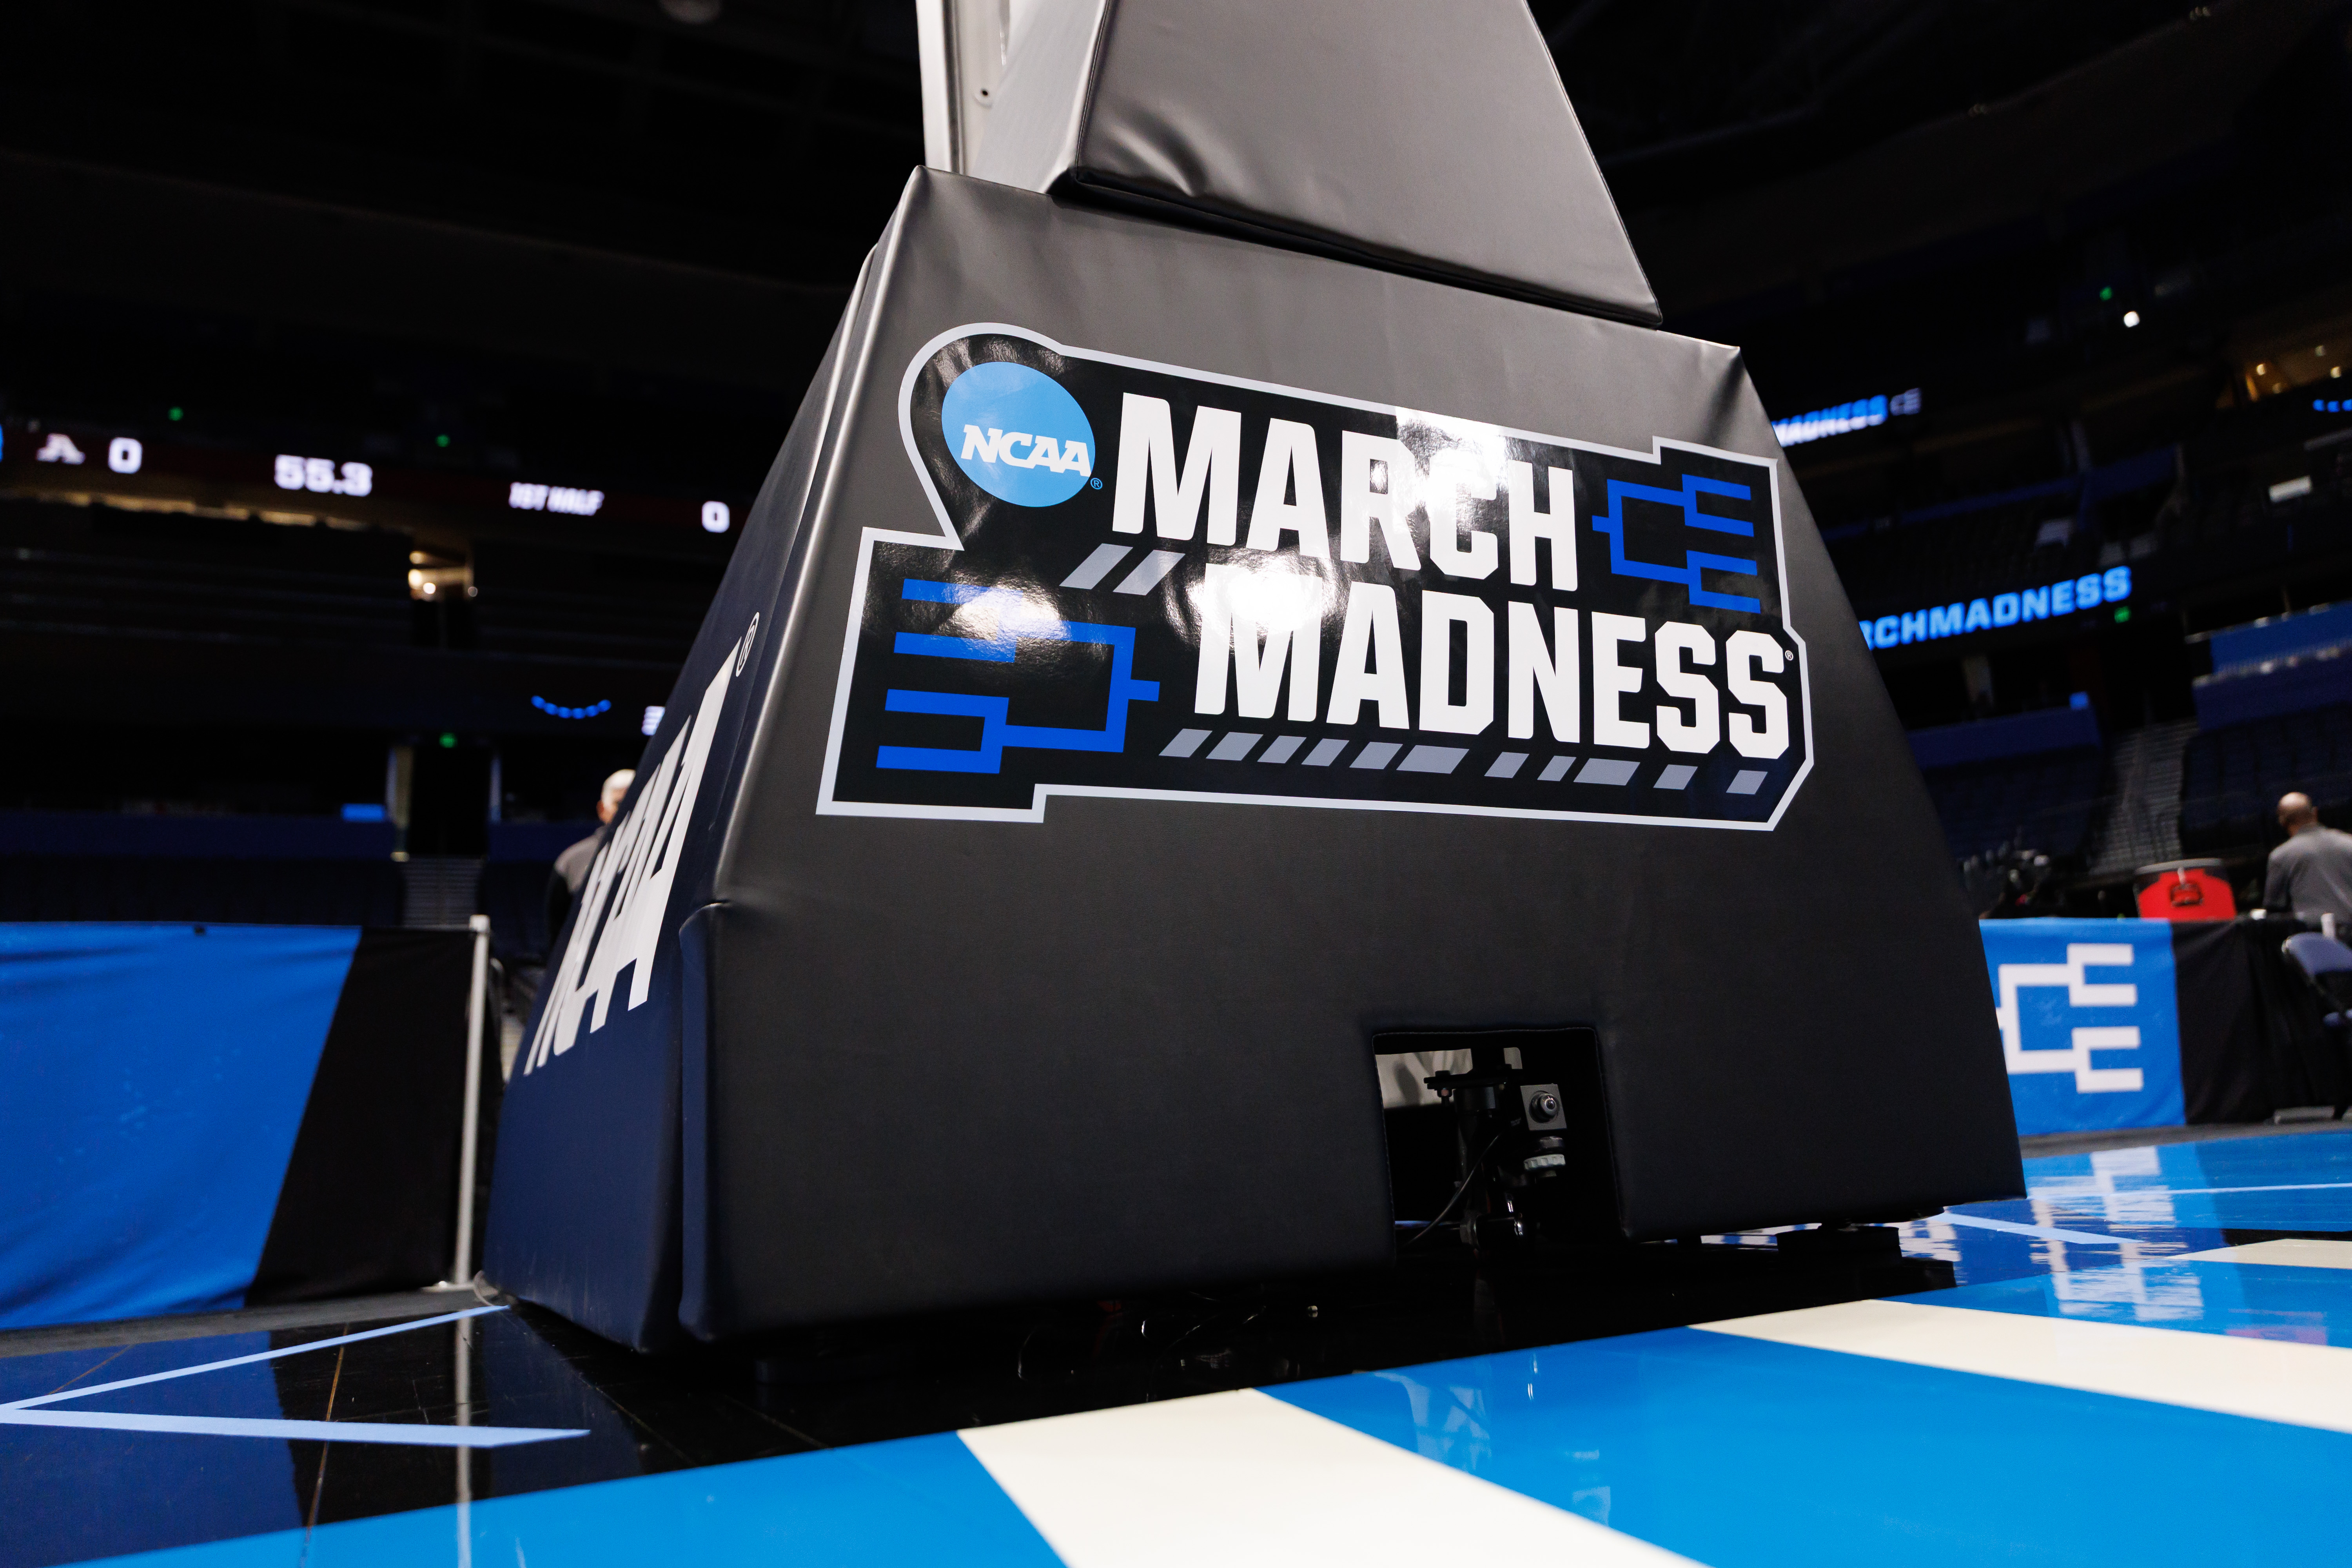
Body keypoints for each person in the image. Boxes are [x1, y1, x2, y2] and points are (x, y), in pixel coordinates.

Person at [545, 769, 634, 946]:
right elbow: (557, 933)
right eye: (621, 804)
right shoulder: (573, 862)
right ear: (603, 810)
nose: (630, 812)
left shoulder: (671, 848)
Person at [2264, 791, 2352, 928]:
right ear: (2315, 813)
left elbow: (2274, 912)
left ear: (2283, 823)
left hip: (2317, 941)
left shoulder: (2281, 856)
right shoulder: (2349, 843)